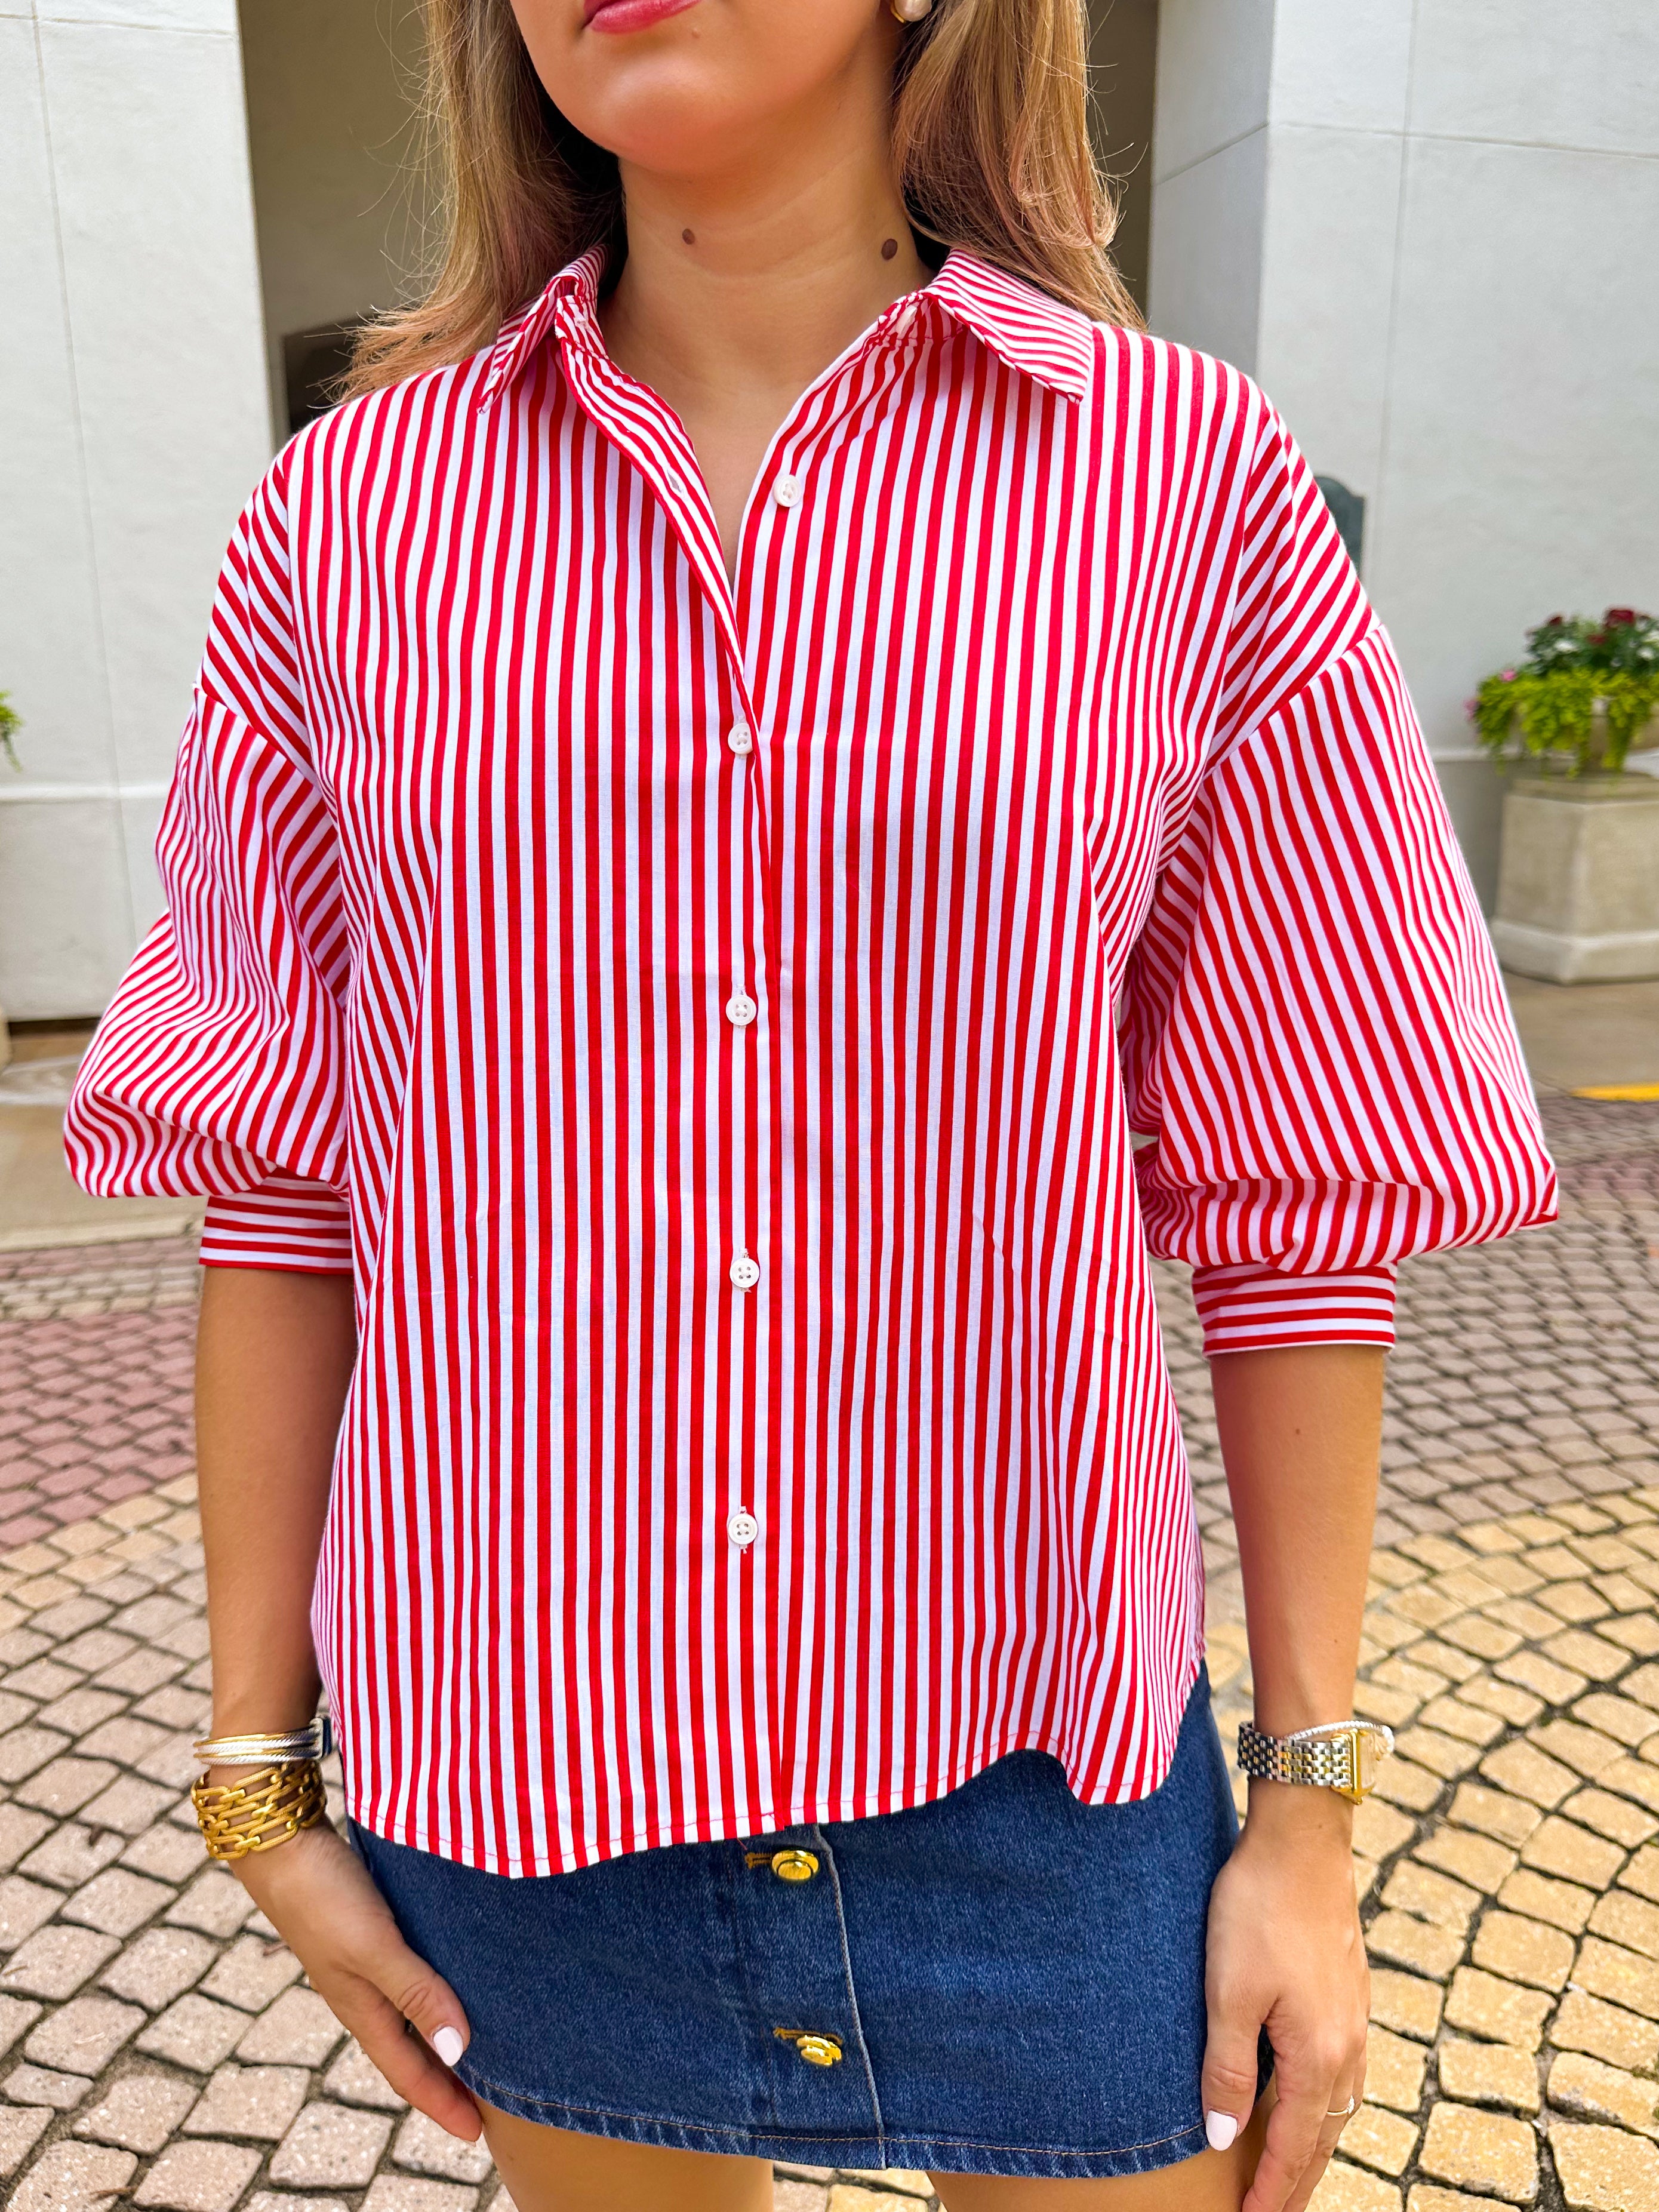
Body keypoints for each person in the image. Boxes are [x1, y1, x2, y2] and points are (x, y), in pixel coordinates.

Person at [65, 2, 1557, 2207]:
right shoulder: (345, 525)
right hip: (525, 1780)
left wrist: (1306, 1809)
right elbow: (285, 1198)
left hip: (1038, 1763)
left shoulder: (1181, 488)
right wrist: (253, 1779)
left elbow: (1297, 1198)